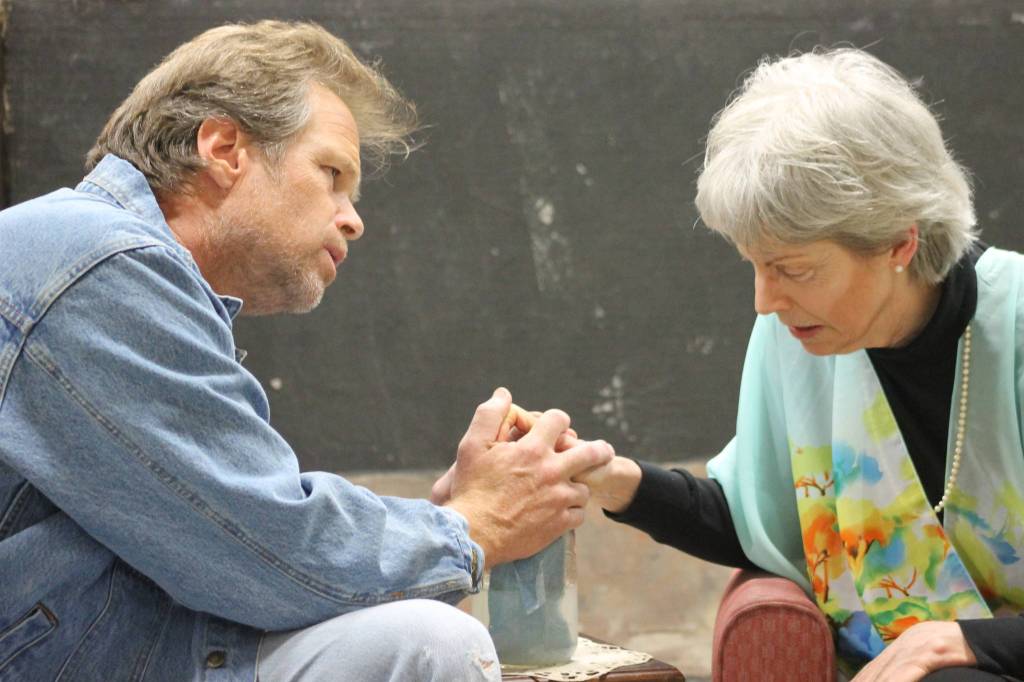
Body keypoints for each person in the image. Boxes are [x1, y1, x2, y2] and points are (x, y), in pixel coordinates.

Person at [0, 20, 613, 681]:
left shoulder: (99, 259)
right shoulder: (99, 262)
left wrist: (447, 524)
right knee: (433, 641)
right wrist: (476, 524)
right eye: (332, 174)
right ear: (224, 148)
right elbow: (261, 546)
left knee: (418, 641)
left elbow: (244, 533)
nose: (354, 219)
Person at [579, 48, 1024, 681]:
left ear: (900, 242)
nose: (765, 301)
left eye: (794, 269)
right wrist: (612, 480)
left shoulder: (1014, 325)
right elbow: (766, 521)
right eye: (755, 265)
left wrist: (967, 642)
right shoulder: (803, 335)